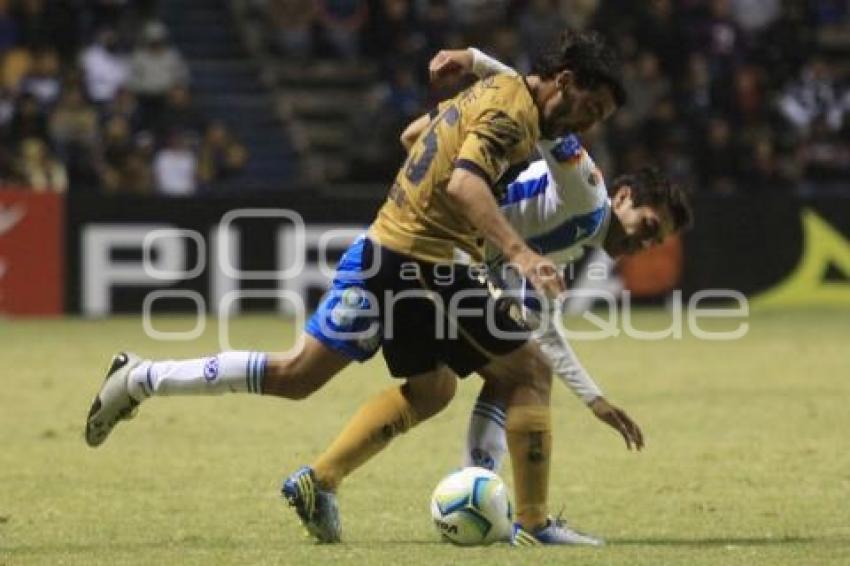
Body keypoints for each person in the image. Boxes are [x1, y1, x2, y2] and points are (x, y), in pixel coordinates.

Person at [85, 30, 627, 546]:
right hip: (426, 261)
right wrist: (521, 253)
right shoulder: (512, 113)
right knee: (528, 371)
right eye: (591, 108)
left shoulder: (495, 91)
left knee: (333, 379)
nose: (590, 124)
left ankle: (145, 382)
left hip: (382, 246)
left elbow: (413, 136)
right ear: (565, 79)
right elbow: (465, 184)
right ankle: (532, 523)